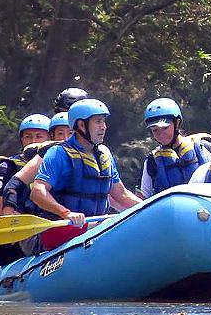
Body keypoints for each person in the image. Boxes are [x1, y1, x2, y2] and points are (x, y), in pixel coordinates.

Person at [31, 98, 142, 250]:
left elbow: (120, 194)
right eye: (97, 122)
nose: (103, 127)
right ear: (81, 125)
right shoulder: (59, 153)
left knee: (125, 224)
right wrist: (66, 213)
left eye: (103, 122)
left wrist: (147, 207)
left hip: (95, 226)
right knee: (112, 227)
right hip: (63, 229)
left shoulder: (105, 154)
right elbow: (37, 192)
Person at [1, 88, 88, 216]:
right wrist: (8, 211)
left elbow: (115, 193)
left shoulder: (100, 153)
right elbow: (14, 185)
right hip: (58, 221)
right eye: (61, 132)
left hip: (90, 222)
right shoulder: (51, 152)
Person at [0, 113, 50, 265]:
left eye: (39, 136)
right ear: (21, 139)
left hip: (44, 231)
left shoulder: (54, 165)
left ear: (48, 139)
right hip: (13, 240)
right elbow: (0, 213)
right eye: (28, 136)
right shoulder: (5, 168)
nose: (33, 141)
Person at [138, 98, 211, 198]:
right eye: (155, 130)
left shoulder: (202, 148)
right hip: (169, 212)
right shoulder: (151, 161)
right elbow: (141, 196)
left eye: (165, 128)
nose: (161, 134)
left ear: (177, 123)